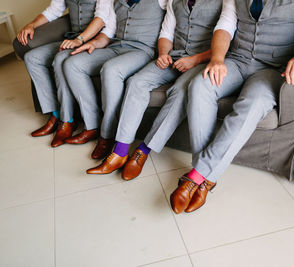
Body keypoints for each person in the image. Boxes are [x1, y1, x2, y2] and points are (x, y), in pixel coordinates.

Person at [168, 0, 294, 214]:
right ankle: (206, 177)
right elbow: (225, 25)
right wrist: (217, 59)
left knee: (253, 105)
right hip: (237, 60)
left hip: (273, 68)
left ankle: (196, 177)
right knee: (200, 86)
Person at [86, 0, 223, 179]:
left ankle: (144, 150)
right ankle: (120, 151)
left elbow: (227, 41)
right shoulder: (175, 2)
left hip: (203, 61)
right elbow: (166, 34)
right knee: (136, 82)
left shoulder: (224, 2)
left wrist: (195, 60)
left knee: (180, 91)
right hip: (174, 57)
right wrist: (164, 54)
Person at [59, 0, 167, 160]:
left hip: (143, 50)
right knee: (72, 64)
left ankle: (107, 135)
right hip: (115, 47)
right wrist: (92, 44)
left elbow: (172, 25)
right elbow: (108, 33)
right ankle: (92, 124)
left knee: (110, 70)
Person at [17, 0, 110, 147]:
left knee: (60, 59)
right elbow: (54, 10)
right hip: (74, 37)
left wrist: (80, 39)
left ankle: (67, 121)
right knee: (32, 58)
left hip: (96, 40)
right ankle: (56, 113)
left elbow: (102, 18)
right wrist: (32, 24)